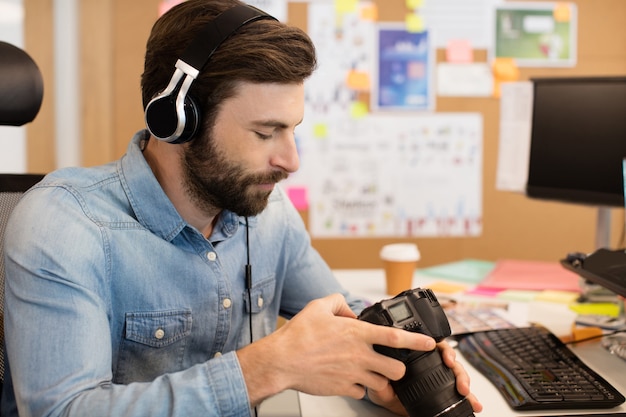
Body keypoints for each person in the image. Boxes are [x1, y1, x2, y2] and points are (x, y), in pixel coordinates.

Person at [1, 1, 483, 416]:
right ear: (178, 122)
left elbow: (345, 319)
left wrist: (395, 367)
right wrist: (267, 366)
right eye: (264, 132)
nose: (290, 161)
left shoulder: (267, 216)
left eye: (292, 129)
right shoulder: (64, 224)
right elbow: (65, 410)